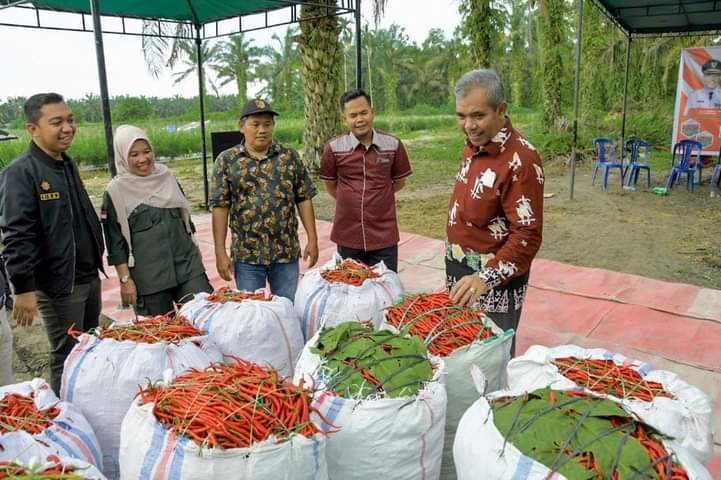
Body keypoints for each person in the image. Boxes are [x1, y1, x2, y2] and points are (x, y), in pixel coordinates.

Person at [0, 93, 104, 394]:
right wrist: (23, 288)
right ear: (33, 129)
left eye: (70, 120)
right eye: (56, 122)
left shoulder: (65, 165)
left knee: (88, 347)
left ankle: (86, 399)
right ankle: (64, 412)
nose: (68, 127)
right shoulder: (21, 173)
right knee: (67, 352)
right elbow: (18, 235)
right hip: (59, 285)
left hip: (87, 276)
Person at [446, 69, 544, 356]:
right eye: (461, 116)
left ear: (501, 109)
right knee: (460, 347)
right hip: (461, 269)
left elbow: (527, 235)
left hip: (493, 280)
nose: (468, 125)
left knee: (491, 356)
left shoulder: (521, 160)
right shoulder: (474, 145)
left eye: (478, 115)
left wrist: (485, 278)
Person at [210, 98, 319, 301]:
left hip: (285, 252)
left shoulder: (289, 157)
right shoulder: (226, 161)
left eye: (267, 124)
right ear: (241, 126)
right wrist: (220, 252)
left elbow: (303, 198)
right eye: (255, 124)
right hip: (247, 257)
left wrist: (312, 239)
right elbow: (220, 207)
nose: (262, 130)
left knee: (287, 308)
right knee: (252, 314)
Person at [102, 125, 213, 315]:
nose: (143, 159)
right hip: (149, 280)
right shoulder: (115, 192)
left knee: (205, 317)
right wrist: (125, 280)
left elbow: (185, 220)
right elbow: (115, 242)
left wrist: (197, 253)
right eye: (134, 154)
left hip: (187, 268)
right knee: (160, 337)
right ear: (121, 156)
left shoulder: (167, 177)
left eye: (147, 151)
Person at [319, 89, 412, 272]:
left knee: (386, 288)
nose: (359, 119)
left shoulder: (392, 145)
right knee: (349, 289)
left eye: (364, 113)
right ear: (344, 120)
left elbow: (399, 182)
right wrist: (349, 197)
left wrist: (379, 196)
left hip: (384, 234)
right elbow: (330, 185)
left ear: (373, 112)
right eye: (353, 115)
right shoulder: (333, 148)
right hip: (347, 233)